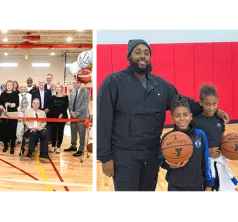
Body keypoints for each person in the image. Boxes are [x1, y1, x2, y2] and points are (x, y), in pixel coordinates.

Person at [95, 39, 230, 192]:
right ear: (129, 56)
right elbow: (102, 121)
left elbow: (185, 105)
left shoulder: (161, 86)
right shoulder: (113, 82)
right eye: (137, 52)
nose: (143, 56)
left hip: (152, 153)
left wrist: (215, 111)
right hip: (125, 154)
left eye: (146, 53)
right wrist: (105, 157)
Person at [160, 95, 212, 192]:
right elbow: (162, 161)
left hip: (196, 186)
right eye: (177, 116)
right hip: (175, 186)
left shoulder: (200, 135)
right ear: (172, 118)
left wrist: (208, 185)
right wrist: (169, 165)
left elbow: (206, 162)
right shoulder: (167, 138)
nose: (182, 119)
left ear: (191, 116)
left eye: (185, 114)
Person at [192, 85, 237, 192]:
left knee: (220, 187)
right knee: (207, 188)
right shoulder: (195, 122)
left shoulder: (220, 120)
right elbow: (193, 144)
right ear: (201, 102)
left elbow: (222, 140)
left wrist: (229, 150)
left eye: (214, 104)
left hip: (220, 161)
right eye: (207, 104)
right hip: (203, 164)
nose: (211, 107)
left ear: (218, 102)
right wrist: (207, 151)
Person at [64, 79, 90, 157]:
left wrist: (77, 113)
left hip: (81, 116)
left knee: (82, 133)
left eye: (77, 83)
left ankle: (81, 149)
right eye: (73, 83)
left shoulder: (86, 91)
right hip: (73, 116)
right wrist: (71, 112)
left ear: (80, 83)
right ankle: (73, 145)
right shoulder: (72, 92)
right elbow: (70, 104)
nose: (75, 84)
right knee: (73, 131)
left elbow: (85, 104)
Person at [0, 80, 19, 154]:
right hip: (4, 113)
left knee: (13, 130)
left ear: (12, 86)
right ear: (6, 86)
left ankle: (12, 146)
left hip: (13, 113)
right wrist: (3, 108)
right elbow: (0, 103)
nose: (9, 86)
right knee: (5, 130)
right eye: (8, 85)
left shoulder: (15, 94)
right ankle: (5, 145)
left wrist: (10, 104)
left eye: (10, 85)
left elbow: (17, 104)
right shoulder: (3, 94)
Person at [49, 82, 69, 154]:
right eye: (56, 87)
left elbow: (65, 107)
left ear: (62, 88)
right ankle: (53, 145)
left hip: (62, 117)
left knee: (60, 132)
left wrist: (61, 114)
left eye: (59, 87)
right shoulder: (53, 97)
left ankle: (58, 146)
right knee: (53, 132)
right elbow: (51, 107)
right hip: (53, 117)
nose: (58, 88)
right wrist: (55, 115)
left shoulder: (65, 97)